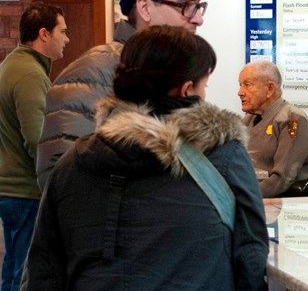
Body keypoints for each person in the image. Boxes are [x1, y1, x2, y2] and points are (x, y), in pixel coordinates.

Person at [22, 25, 269, 290]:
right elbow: (250, 254)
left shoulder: (74, 163)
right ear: (187, 90)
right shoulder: (223, 157)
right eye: (204, 84)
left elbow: (44, 269)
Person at [37, 0, 207, 190]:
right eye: (185, 5)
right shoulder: (91, 74)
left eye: (199, 6)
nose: (198, 18)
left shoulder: (177, 79)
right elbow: (63, 186)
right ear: (145, 8)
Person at [0, 1, 69, 291]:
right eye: (62, 31)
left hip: (15, 189)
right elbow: (37, 139)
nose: (66, 39)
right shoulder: (29, 74)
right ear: (44, 34)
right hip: (24, 191)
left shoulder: (17, 64)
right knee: (22, 272)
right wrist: (59, 185)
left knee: (15, 266)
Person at [238, 60, 308, 197]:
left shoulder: (292, 120)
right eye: (240, 85)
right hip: (251, 194)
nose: (240, 92)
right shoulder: (247, 121)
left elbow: (282, 179)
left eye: (247, 85)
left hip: (279, 202)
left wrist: (242, 198)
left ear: (270, 89)